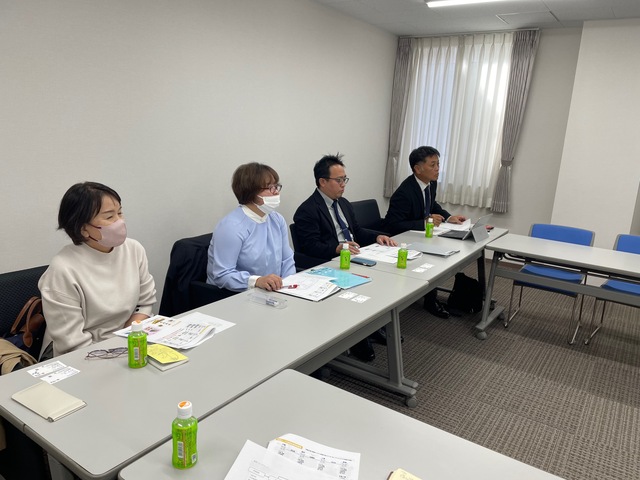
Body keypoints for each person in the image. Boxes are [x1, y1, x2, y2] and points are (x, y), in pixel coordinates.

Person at [293, 153, 397, 361]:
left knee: (385, 278)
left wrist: (377, 236)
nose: (343, 185)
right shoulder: (307, 210)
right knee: (364, 284)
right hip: (330, 262)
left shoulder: (343, 203)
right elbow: (310, 247)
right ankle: (358, 338)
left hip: (354, 256)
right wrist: (337, 248)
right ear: (322, 182)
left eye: (344, 179)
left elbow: (356, 231)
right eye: (338, 180)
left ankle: (372, 326)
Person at [38, 182, 156, 357]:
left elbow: (145, 303)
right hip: (82, 354)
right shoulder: (62, 270)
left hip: (127, 340)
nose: (120, 222)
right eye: (109, 217)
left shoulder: (133, 249)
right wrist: (117, 352)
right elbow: (73, 342)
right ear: (83, 228)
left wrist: (129, 337)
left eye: (120, 213)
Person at [384, 146, 466, 319]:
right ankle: (430, 299)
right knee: (434, 259)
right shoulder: (404, 193)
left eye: (438, 164)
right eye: (433, 165)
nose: (437, 169)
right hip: (403, 240)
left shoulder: (430, 184)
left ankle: (429, 295)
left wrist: (448, 217)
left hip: (421, 236)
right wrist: (424, 222)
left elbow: (432, 205)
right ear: (418, 168)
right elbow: (393, 225)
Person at [207, 162, 295, 292]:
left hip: (272, 291)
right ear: (251, 191)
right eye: (270, 187)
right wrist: (256, 281)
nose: (276, 192)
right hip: (233, 294)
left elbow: (287, 260)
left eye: (276, 186)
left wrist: (289, 285)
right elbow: (222, 275)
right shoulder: (231, 227)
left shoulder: (277, 219)